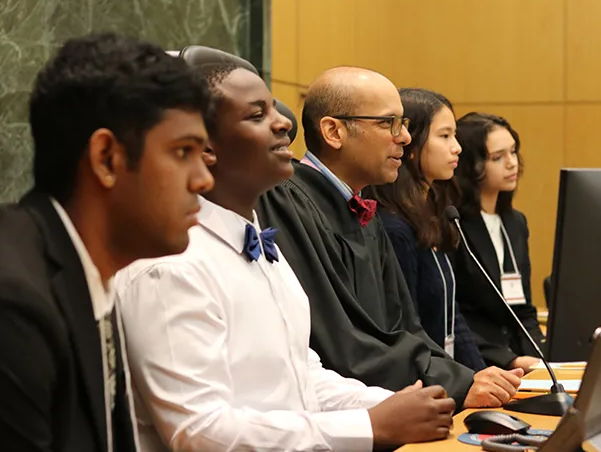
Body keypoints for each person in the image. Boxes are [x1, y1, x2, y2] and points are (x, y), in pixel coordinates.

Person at [114, 63, 456, 452]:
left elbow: (301, 376)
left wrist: (394, 405)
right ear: (204, 147)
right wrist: (368, 425)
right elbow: (200, 431)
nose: (284, 125)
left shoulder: (258, 244)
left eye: (275, 110)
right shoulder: (171, 267)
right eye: (258, 115)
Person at [0, 33, 214, 452]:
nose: (204, 180)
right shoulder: (4, 306)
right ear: (107, 159)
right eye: (183, 151)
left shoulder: (85, 264)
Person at [257, 66, 524, 410]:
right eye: (388, 124)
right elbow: (340, 340)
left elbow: (406, 329)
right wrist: (454, 384)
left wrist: (463, 377)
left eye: (404, 125)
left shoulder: (361, 207)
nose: (405, 138)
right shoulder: (288, 202)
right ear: (333, 131)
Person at [367, 88, 486, 372]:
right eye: (444, 136)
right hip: (423, 385)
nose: (457, 147)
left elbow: (451, 316)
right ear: (411, 145)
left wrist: (481, 376)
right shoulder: (394, 228)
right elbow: (406, 332)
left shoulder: (434, 214)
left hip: (449, 379)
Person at [453, 112, 545, 373]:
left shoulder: (516, 222)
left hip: (521, 361)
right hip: (478, 363)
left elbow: (523, 308)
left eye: (513, 152)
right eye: (498, 157)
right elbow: (454, 314)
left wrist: (545, 358)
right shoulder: (451, 223)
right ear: (470, 165)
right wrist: (509, 359)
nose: (512, 163)